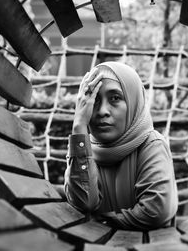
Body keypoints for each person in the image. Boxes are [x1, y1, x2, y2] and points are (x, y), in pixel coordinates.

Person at [64, 61, 178, 230]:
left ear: (133, 103)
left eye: (115, 98)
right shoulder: (82, 147)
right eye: (95, 100)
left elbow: (155, 212)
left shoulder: (151, 145)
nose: (102, 110)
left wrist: (102, 222)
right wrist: (79, 125)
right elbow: (83, 202)